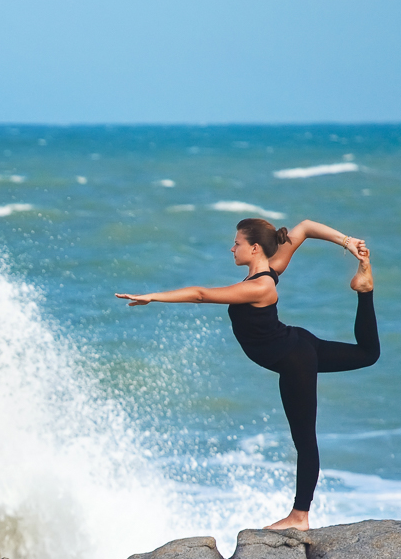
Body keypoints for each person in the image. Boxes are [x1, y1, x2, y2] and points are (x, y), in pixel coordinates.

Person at [115, 218, 378, 531]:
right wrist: (347, 241)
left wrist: (154, 296)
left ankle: (300, 517)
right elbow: (306, 227)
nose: (232, 248)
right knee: (368, 354)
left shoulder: (260, 286)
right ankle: (364, 288)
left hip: (295, 360)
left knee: (305, 440)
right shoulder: (270, 270)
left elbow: (201, 294)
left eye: (237, 243)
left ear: (254, 248)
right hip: (297, 344)